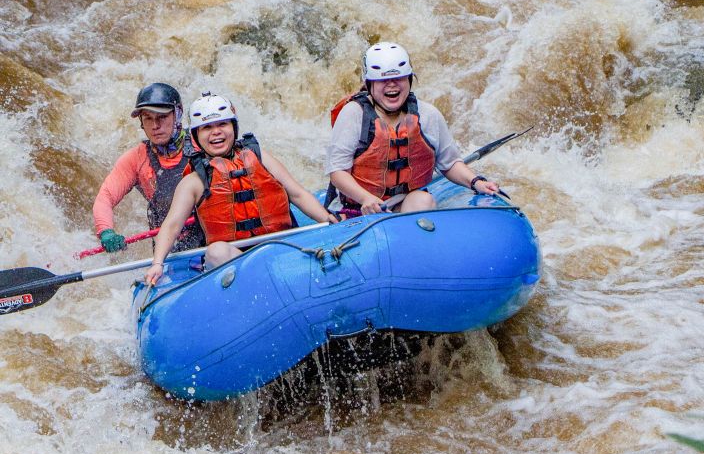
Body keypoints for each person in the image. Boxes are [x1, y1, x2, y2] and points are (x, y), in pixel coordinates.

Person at [143, 92, 339, 285]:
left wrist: (328, 219)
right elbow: (172, 225)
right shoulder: (194, 181)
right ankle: (267, 283)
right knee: (216, 251)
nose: (216, 132)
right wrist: (157, 263)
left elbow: (297, 194)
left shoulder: (259, 157)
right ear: (196, 135)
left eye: (222, 124)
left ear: (233, 127)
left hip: (279, 247)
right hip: (236, 261)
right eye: (207, 128)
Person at [326, 41, 500, 217]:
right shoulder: (354, 114)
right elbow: (338, 171)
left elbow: (450, 163)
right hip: (359, 209)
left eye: (399, 78)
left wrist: (476, 182)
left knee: (423, 200)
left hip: (404, 204)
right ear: (369, 84)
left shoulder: (428, 115)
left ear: (409, 79)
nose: (392, 85)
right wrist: (365, 199)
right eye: (383, 80)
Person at [92, 82, 205, 253]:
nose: (155, 126)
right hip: (170, 252)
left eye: (162, 117)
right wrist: (106, 231)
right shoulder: (136, 159)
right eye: (148, 118)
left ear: (178, 114)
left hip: (212, 242)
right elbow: (104, 198)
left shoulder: (203, 143)